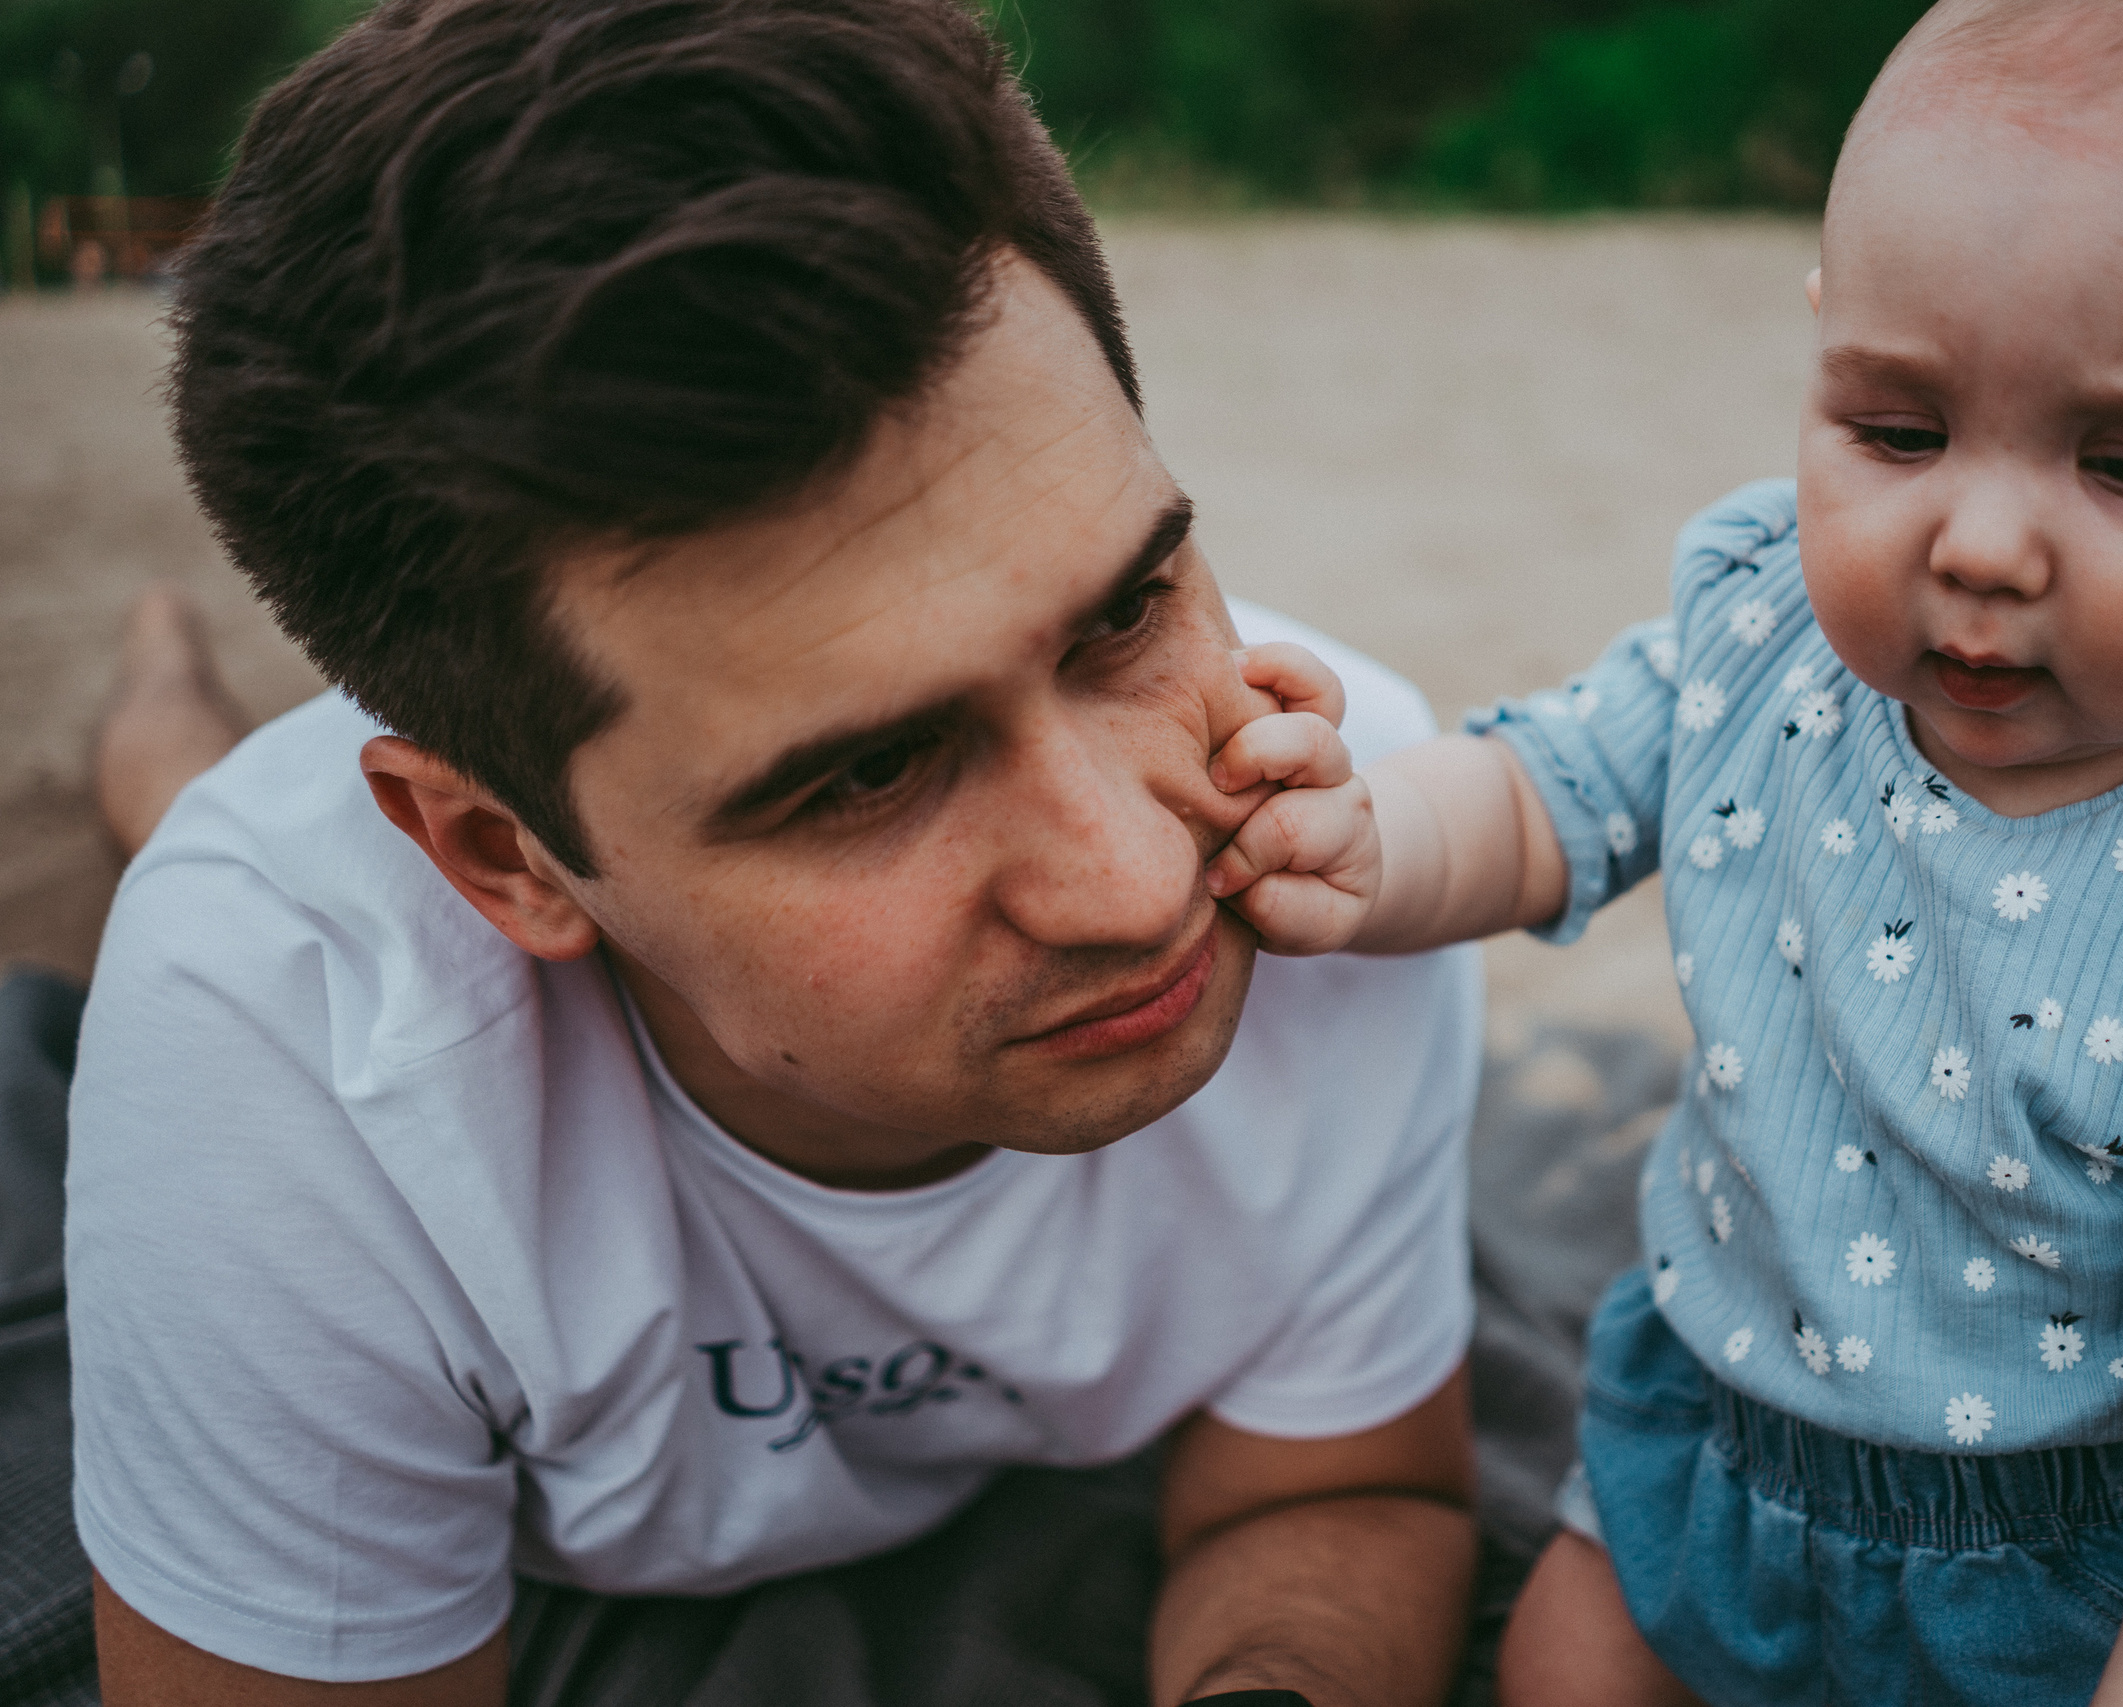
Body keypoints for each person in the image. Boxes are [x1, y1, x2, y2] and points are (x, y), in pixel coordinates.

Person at [59, 2, 1491, 1703]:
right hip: (315, 939)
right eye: (868, 775)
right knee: (189, 833)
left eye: (1124, 612)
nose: (1141, 885)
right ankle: (161, 713)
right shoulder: (271, 1018)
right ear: (505, 858)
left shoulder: (1353, 817)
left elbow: (1335, 1491)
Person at [1205, 1, 2123, 1702]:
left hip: (2100, 1562)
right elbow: (1552, 789)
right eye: (1896, 431)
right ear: (1825, 354)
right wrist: (1375, 846)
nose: (1976, 544)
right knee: (1559, 1668)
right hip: (1725, 1451)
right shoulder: (1764, 643)